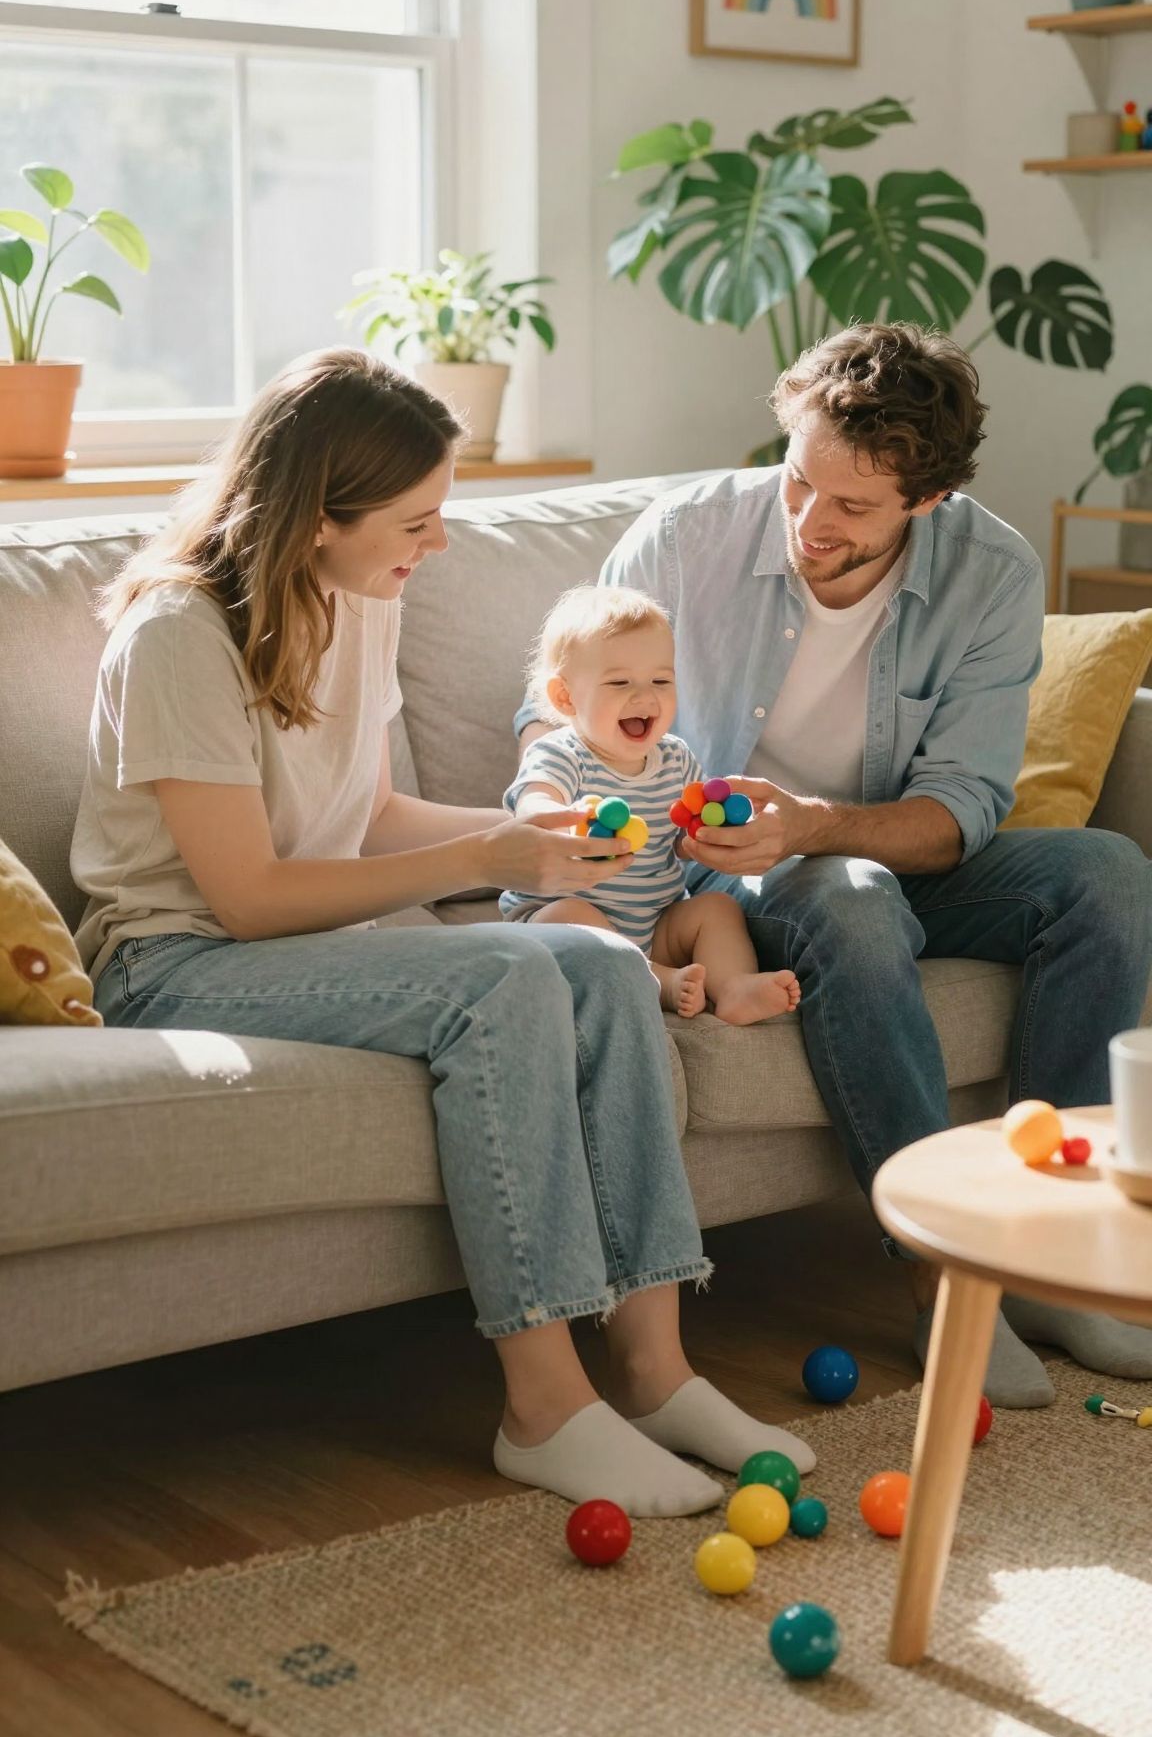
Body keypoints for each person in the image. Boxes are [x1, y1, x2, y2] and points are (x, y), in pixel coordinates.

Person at [71, 346, 816, 1519]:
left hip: (276, 942)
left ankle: (657, 1369)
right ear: (321, 513)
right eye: (418, 517)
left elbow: (361, 814)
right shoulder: (179, 634)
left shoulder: (358, 598)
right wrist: (482, 861)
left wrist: (546, 827)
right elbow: (248, 897)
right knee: (506, 982)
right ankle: (543, 1409)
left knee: (599, 962)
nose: (440, 542)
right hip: (174, 960)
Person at [517, 322, 1152, 1409]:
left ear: (927, 498)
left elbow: (963, 811)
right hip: (713, 876)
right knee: (852, 905)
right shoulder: (684, 536)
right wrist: (587, 822)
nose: (812, 522)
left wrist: (812, 823)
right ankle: (948, 1277)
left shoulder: (989, 571)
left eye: (853, 506)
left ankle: (1050, 1254)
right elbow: (558, 710)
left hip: (853, 841)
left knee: (1108, 873)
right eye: (799, 481)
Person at [501, 583, 801, 1023]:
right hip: (563, 922)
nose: (646, 696)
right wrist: (566, 825)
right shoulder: (562, 754)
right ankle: (657, 981)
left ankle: (732, 986)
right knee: (567, 913)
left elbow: (687, 835)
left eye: (661, 680)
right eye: (620, 682)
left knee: (716, 909)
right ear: (566, 697)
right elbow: (535, 801)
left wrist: (715, 833)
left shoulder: (677, 759)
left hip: (654, 923)